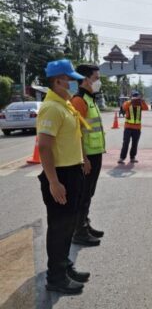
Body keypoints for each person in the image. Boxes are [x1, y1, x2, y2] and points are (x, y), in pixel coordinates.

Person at [37, 59, 91, 294]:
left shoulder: (65, 105)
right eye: (68, 80)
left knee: (68, 226)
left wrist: (83, 159)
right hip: (60, 174)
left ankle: (65, 265)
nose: (71, 84)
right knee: (59, 227)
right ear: (57, 81)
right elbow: (45, 147)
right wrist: (53, 181)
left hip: (72, 170)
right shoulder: (51, 108)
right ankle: (56, 277)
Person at [70, 64, 106, 247]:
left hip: (95, 153)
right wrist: (83, 158)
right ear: (85, 79)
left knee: (89, 193)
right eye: (96, 78)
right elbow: (77, 133)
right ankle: (79, 232)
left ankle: (85, 223)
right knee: (83, 194)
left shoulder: (90, 99)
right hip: (87, 156)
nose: (98, 82)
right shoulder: (79, 101)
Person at [118, 91, 148, 164]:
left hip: (137, 128)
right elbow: (124, 108)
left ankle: (132, 157)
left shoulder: (140, 104)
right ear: (132, 97)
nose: (135, 98)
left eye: (137, 96)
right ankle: (122, 158)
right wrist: (131, 101)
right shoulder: (128, 103)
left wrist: (142, 101)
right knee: (126, 143)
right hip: (128, 127)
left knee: (135, 144)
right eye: (134, 96)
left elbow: (146, 108)